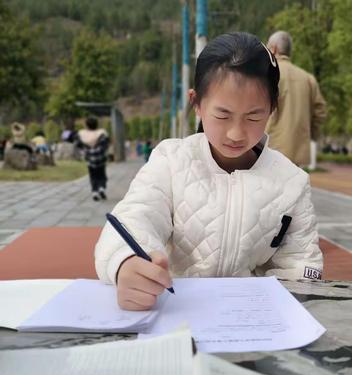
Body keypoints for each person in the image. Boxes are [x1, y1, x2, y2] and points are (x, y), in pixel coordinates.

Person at [95, 32, 323, 311]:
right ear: (197, 103)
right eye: (222, 115)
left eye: (254, 116)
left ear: (272, 109)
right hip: (176, 311)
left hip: (250, 322)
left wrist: (284, 300)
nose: (236, 133)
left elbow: (302, 263)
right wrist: (126, 262)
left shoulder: (292, 182)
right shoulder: (172, 160)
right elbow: (134, 219)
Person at [266, 31, 327, 166]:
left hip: (270, 151)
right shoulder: (307, 78)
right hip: (298, 152)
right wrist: (310, 135)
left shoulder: (267, 74)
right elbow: (320, 112)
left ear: (273, 49)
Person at [75, 116, 110, 201]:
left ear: (87, 125)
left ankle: (94, 191)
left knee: (93, 176)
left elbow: (78, 144)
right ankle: (101, 188)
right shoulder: (101, 133)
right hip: (100, 159)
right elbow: (105, 145)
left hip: (90, 160)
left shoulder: (82, 134)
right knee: (102, 175)